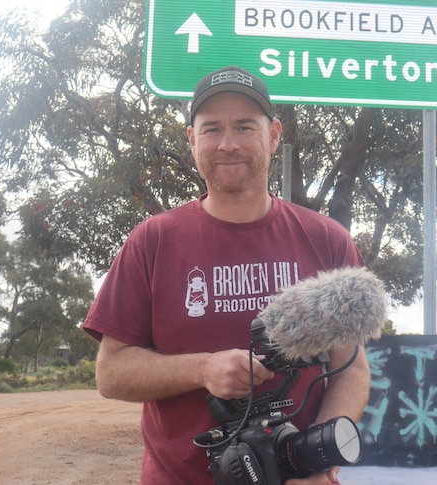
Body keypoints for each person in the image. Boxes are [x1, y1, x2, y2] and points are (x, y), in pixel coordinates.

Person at [83, 65, 371, 485]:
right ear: (192, 140)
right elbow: (110, 374)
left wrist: (321, 469)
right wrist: (203, 369)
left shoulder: (327, 241)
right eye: (212, 128)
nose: (228, 144)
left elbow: (351, 370)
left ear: (273, 135)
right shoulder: (151, 242)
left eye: (244, 127)